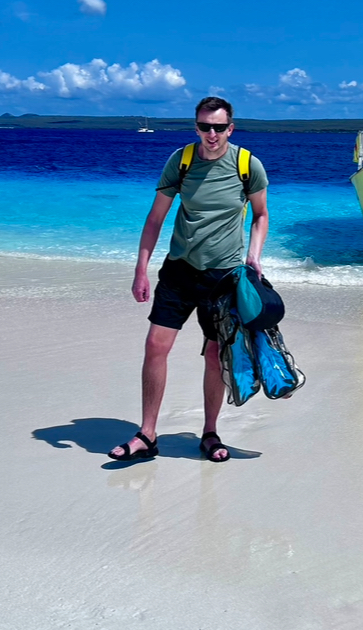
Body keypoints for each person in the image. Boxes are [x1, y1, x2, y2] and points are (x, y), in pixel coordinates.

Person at [108, 97, 269, 464]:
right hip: (179, 270)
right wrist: (140, 269)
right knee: (155, 346)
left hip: (223, 276)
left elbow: (260, 215)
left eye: (218, 127)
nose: (211, 134)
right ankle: (147, 435)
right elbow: (155, 219)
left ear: (231, 128)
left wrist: (254, 256)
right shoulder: (180, 162)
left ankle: (210, 433)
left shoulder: (247, 165)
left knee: (215, 355)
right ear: (196, 126)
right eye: (204, 126)